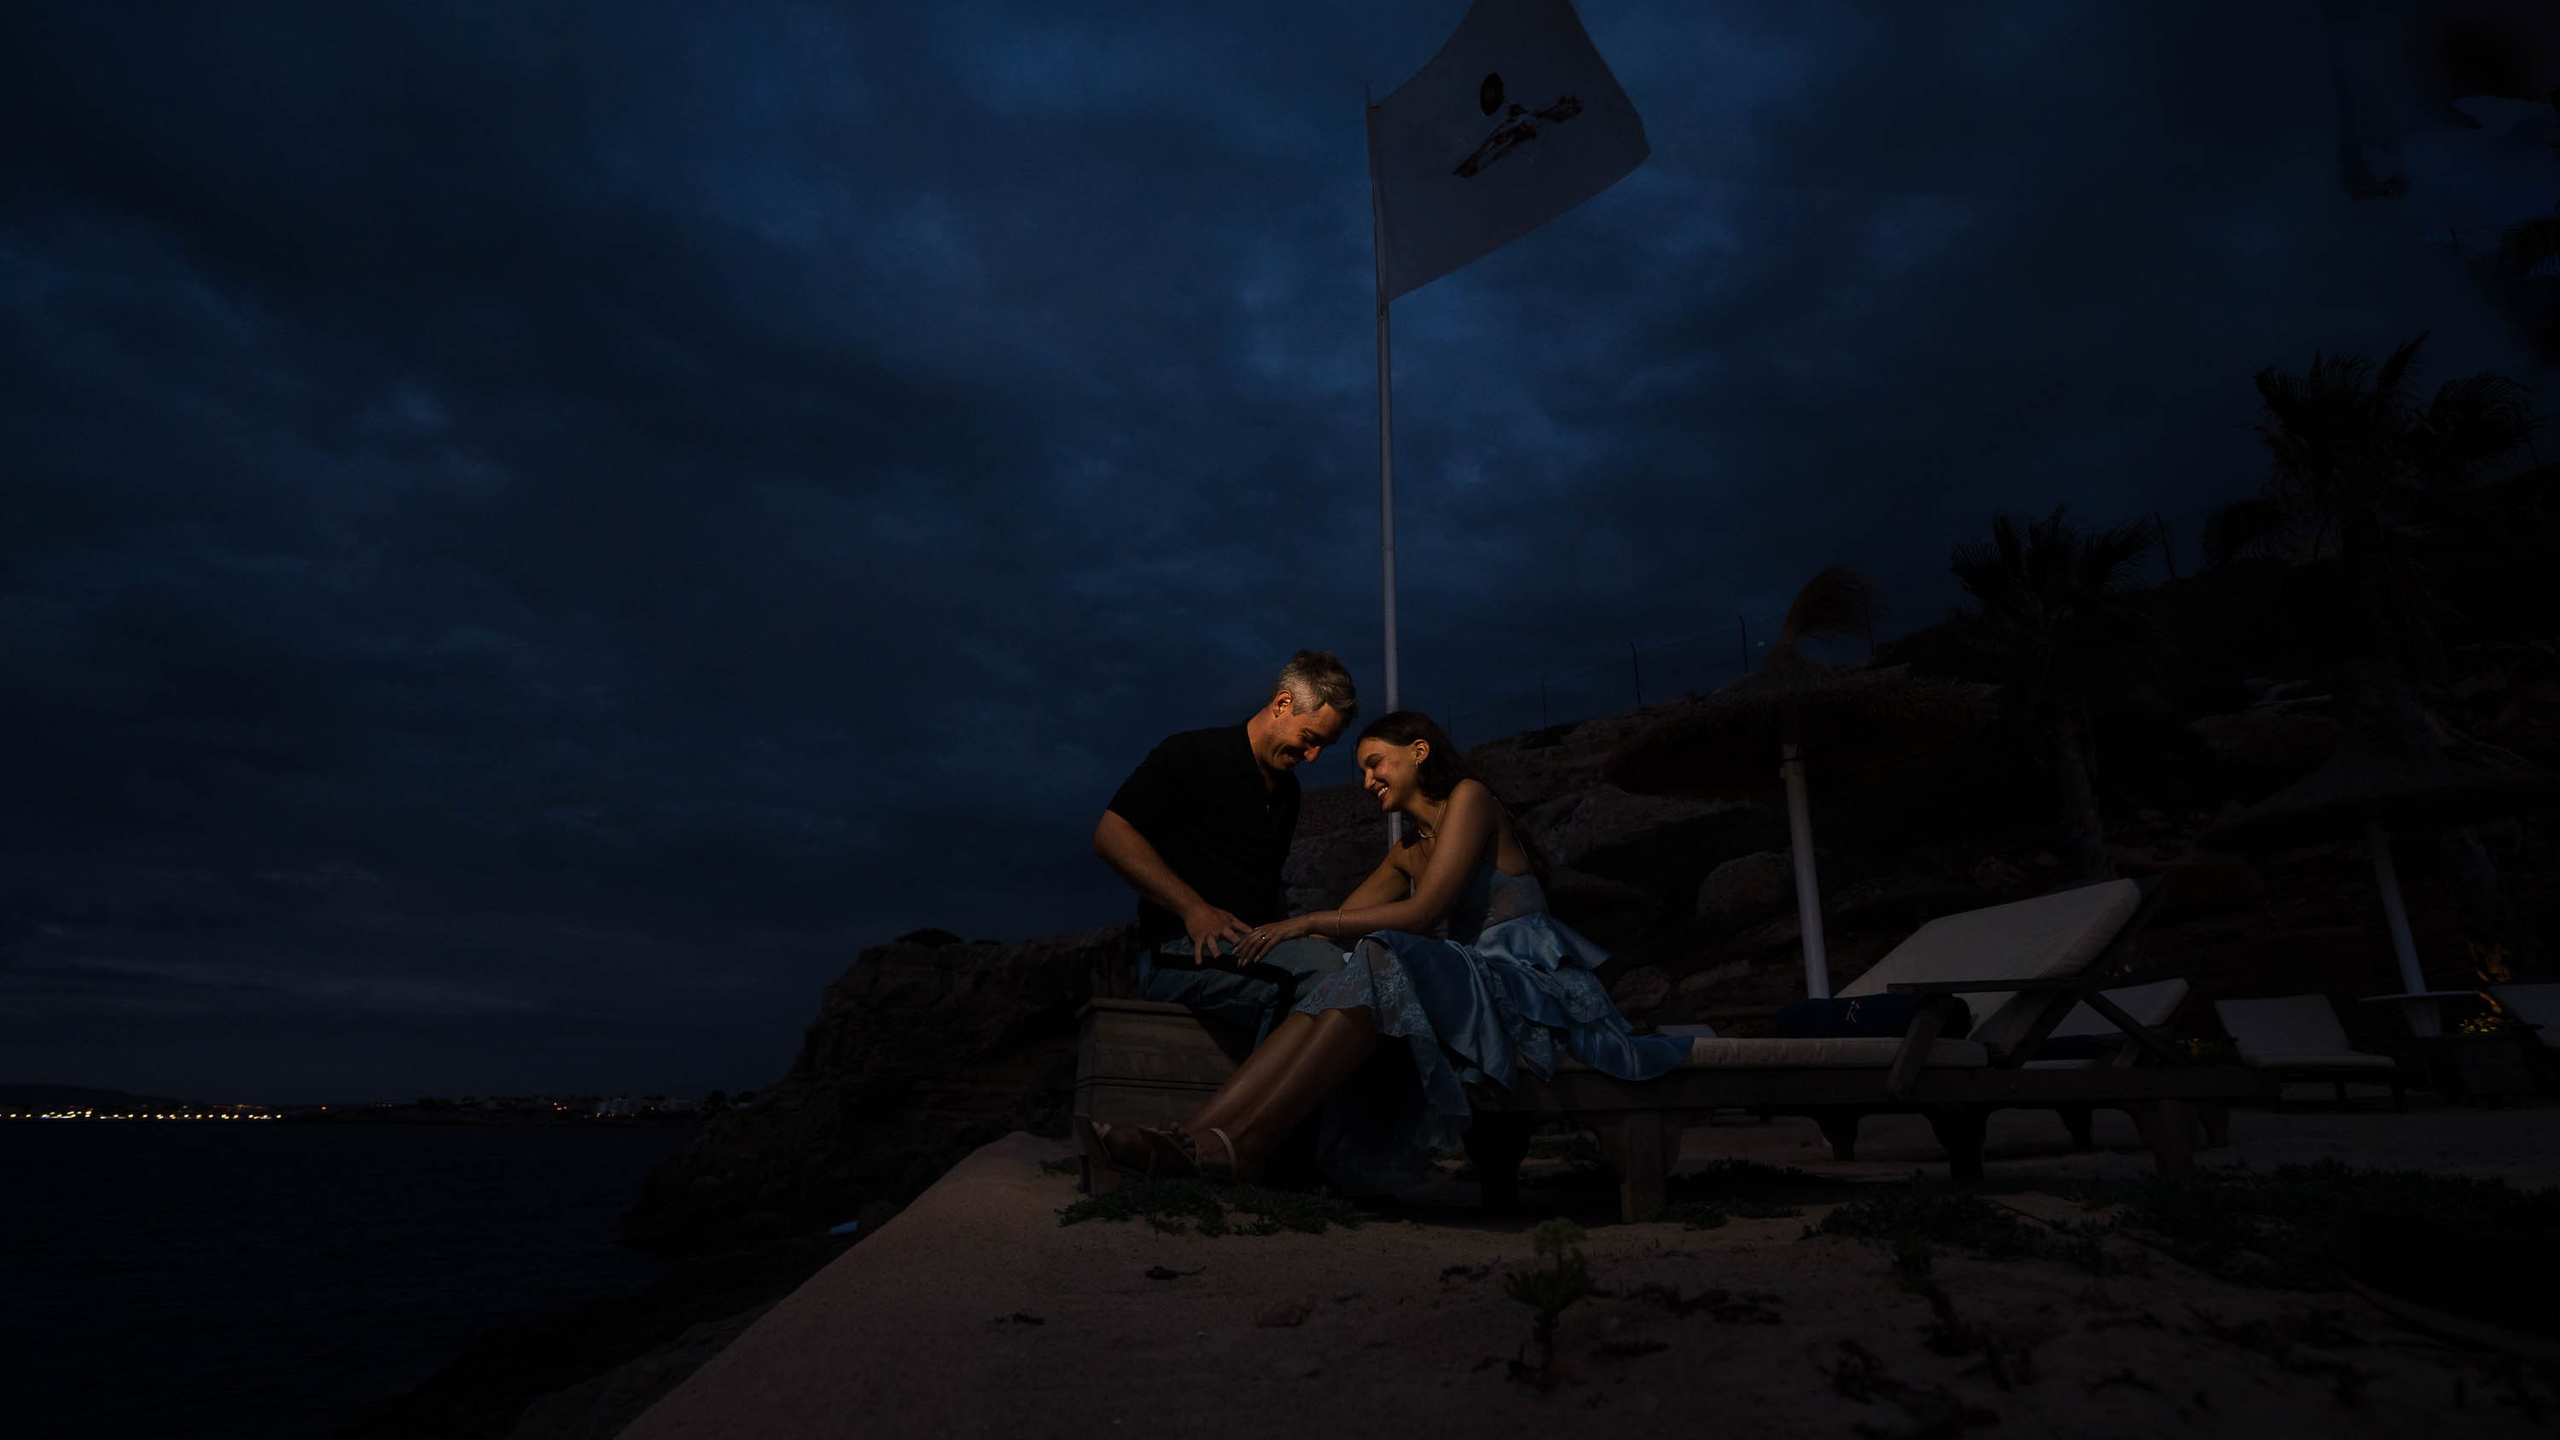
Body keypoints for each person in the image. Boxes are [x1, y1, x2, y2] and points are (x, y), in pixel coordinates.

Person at [1081, 711, 1690, 1194]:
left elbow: (1421, 916)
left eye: (1376, 764)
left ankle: (1237, 1147)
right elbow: (1336, 933)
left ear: (1418, 752)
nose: (1367, 780)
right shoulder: (1405, 852)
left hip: (1527, 979)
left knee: (1382, 952)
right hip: (1474, 980)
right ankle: (1193, 1140)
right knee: (1341, 972)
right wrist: (1282, 939)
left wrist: (1309, 921)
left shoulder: (1471, 799)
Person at [1091, 650, 1359, 1041]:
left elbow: (1265, 886)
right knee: (1319, 975)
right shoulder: (1191, 754)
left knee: (1351, 968)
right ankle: (1264, 1104)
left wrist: (1290, 935)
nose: (1313, 757)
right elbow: (1110, 835)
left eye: (1324, 747)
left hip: (1249, 950)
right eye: (1309, 739)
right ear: (1283, 703)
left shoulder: (1288, 792)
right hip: (1179, 951)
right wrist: (1193, 908)